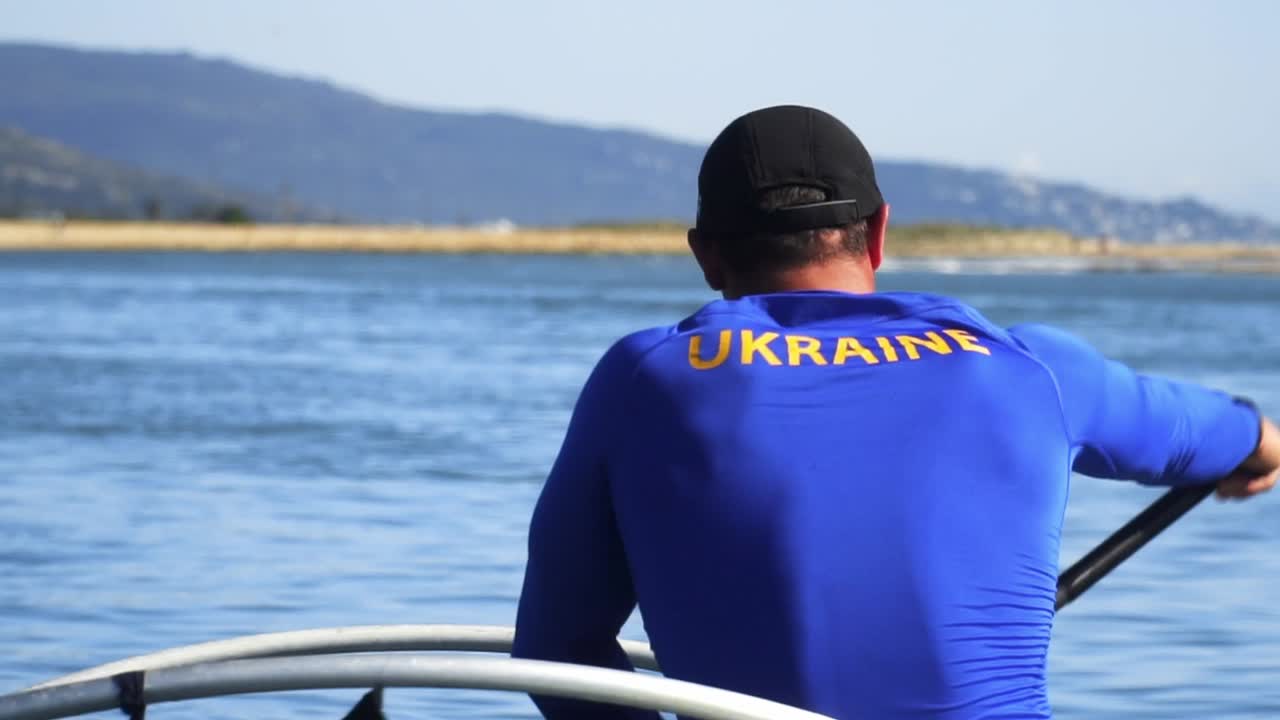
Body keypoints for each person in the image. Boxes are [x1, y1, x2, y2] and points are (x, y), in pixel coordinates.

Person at [511, 105, 1279, 719]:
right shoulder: (1030, 365)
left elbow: (557, 652)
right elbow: (1222, 436)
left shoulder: (643, 378)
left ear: (705, 253)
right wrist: (1256, 446)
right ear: (878, 232)